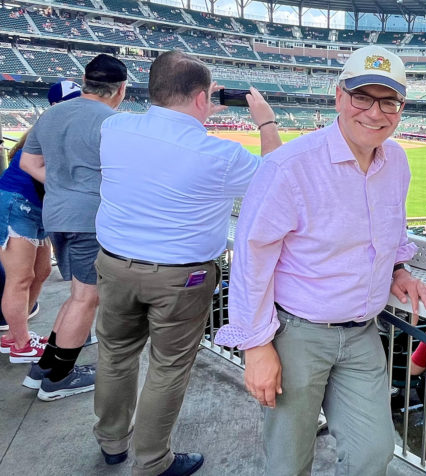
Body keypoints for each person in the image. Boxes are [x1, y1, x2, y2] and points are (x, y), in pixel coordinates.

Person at [214, 45, 426, 476]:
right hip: (296, 334)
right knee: (288, 460)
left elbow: (390, 228)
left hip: (362, 333)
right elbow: (252, 259)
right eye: (362, 97)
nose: (375, 112)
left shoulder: (396, 161)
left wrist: (398, 269)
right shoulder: (289, 166)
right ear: (339, 96)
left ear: (401, 108)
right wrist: (256, 346)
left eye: (388, 101)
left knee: (373, 452)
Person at [92, 51, 281, 476]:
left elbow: (163, 137)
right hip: (181, 278)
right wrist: (266, 122)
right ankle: (152, 461)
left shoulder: (114, 127)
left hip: (114, 265)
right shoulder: (221, 155)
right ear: (202, 98)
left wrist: (196, 108)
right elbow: (276, 179)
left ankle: (111, 441)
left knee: (115, 354)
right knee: (168, 367)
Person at [19, 54, 127, 401]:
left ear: (85, 82)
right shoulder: (113, 122)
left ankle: (45, 367)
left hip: (57, 215)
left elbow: (28, 162)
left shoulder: (51, 115)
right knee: (87, 297)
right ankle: (59, 378)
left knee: (79, 294)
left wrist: (63, 187)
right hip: (89, 218)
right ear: (121, 89)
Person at [0, 81, 78, 362]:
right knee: (20, 278)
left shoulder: (55, 128)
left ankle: (15, 335)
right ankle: (20, 344)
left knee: (41, 271)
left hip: (36, 208)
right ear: (56, 106)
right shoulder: (54, 130)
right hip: (17, 205)